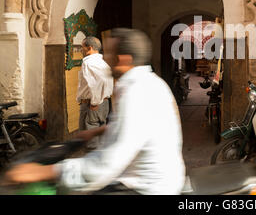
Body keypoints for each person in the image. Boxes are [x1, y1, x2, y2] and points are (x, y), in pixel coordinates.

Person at [5, 28, 186, 195]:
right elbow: (141, 127)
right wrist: (100, 130)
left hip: (146, 187)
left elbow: (106, 164)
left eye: (110, 54)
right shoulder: (151, 82)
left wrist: (45, 171)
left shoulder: (136, 92)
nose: (105, 59)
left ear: (123, 59)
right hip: (158, 179)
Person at [76, 36, 114, 149]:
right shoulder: (103, 63)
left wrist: (95, 102)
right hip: (104, 103)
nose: (81, 50)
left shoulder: (89, 62)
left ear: (90, 47)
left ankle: (93, 163)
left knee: (91, 143)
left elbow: (96, 82)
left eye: (83, 47)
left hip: (93, 105)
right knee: (100, 140)